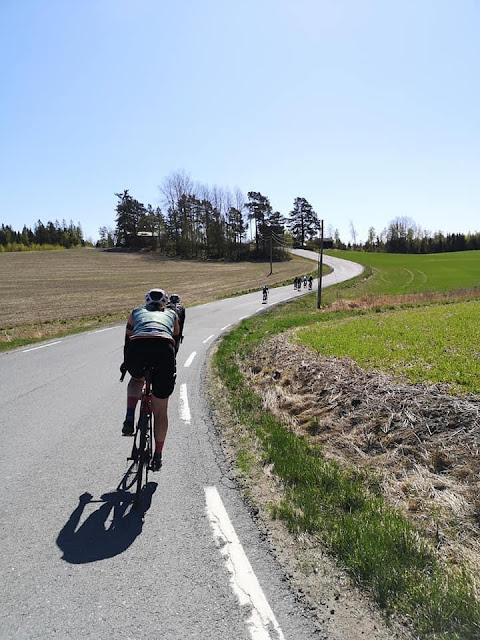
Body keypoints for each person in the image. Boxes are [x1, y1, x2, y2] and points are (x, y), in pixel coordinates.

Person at [120, 288, 181, 471]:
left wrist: (127, 363)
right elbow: (176, 341)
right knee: (160, 410)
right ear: (165, 302)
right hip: (164, 349)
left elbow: (128, 339)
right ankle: (158, 456)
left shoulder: (136, 312)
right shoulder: (173, 314)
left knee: (136, 380)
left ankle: (129, 417)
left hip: (138, 347)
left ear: (146, 301)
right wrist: (170, 365)